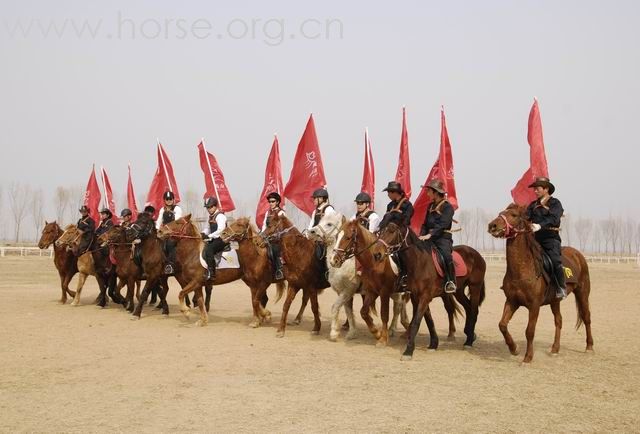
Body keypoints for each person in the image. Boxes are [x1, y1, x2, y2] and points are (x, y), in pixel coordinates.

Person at [526, 177, 567, 300]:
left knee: (555, 261)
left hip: (550, 239)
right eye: (534, 189)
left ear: (546, 189)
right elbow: (525, 218)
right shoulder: (533, 205)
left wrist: (539, 225)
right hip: (535, 239)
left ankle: (561, 287)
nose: (535, 191)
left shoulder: (555, 203)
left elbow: (554, 219)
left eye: (537, 189)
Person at [418, 179, 457, 293]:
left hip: (442, 238)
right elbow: (425, 224)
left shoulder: (447, 207)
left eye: (429, 191)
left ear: (435, 192)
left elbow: (442, 225)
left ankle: (451, 281)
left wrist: (430, 235)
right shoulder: (430, 206)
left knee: (446, 255)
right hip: (428, 238)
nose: (427, 193)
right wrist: (421, 235)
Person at [380, 181, 414, 290]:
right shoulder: (390, 205)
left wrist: (396, 227)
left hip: (402, 234)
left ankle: (405, 275)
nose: (388, 195)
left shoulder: (408, 205)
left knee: (401, 253)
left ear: (396, 192)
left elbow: (406, 221)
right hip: (389, 233)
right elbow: (385, 219)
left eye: (389, 192)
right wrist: (380, 228)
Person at [307, 188, 335, 282]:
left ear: (322, 199)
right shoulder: (315, 211)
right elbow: (311, 225)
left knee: (320, 252)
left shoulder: (329, 209)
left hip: (326, 239)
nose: (314, 200)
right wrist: (308, 234)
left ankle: (326, 272)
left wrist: (321, 235)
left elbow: (331, 225)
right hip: (315, 238)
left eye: (315, 198)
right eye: (314, 198)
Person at [156, 191, 183, 275]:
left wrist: (169, 230)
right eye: (167, 199)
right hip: (165, 233)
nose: (169, 201)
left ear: (173, 199)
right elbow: (159, 221)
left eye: (170, 199)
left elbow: (177, 222)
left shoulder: (177, 209)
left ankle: (170, 265)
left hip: (175, 232)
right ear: (164, 200)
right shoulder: (162, 209)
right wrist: (156, 230)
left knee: (169, 244)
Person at [201, 197, 228, 281]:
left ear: (215, 206)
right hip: (214, 239)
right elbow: (207, 229)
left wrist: (209, 236)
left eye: (210, 207)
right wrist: (203, 233)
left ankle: (212, 273)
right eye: (207, 207)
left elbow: (221, 230)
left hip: (222, 240)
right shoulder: (210, 217)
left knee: (209, 249)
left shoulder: (220, 216)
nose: (209, 209)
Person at [261, 192, 285, 280]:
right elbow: (264, 225)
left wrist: (274, 235)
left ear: (278, 202)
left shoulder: (281, 213)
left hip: (277, 239)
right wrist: (262, 235)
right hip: (267, 237)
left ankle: (280, 270)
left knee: (274, 249)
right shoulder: (268, 213)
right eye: (269, 202)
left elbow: (282, 228)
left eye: (273, 201)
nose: (271, 203)